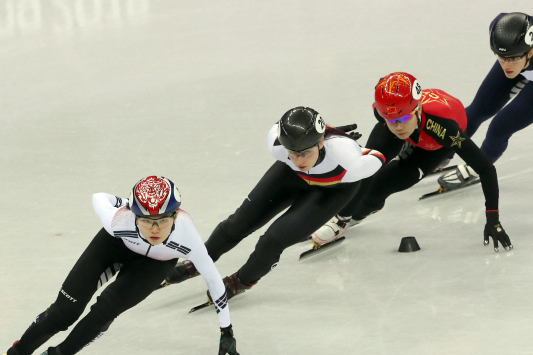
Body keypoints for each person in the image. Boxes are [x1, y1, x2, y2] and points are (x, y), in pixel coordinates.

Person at [0, 176, 253, 355]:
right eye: (146, 220)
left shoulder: (187, 237)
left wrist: (226, 330)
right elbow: (98, 196)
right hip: (113, 246)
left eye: (163, 221)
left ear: (176, 216)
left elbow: (214, 281)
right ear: (133, 214)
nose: (154, 229)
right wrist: (122, 206)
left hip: (154, 265)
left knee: (107, 309)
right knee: (64, 311)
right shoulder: (118, 221)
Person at [161, 107, 386, 299]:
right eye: (293, 152)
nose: (299, 160)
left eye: (305, 152)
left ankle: (240, 281)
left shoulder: (349, 160)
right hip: (290, 177)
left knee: (273, 240)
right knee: (238, 223)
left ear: (320, 143)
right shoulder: (276, 144)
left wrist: (350, 146)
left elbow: (379, 157)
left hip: (333, 189)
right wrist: (327, 130)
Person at [311, 72, 513, 252]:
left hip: (435, 142)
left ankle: (359, 215)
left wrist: (493, 219)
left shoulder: (444, 129)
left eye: (404, 118)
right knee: (364, 170)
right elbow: (390, 119)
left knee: (382, 185)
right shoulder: (388, 113)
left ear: (416, 110)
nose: (398, 126)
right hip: (415, 127)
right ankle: (341, 220)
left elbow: (486, 169)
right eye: (391, 120)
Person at [439, 12, 533, 189]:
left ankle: (477, 168)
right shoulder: (501, 30)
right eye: (500, 57)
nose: (506, 65)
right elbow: (521, 19)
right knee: (479, 109)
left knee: (500, 126)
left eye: (512, 59)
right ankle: (442, 151)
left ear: (531, 51)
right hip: (524, 54)